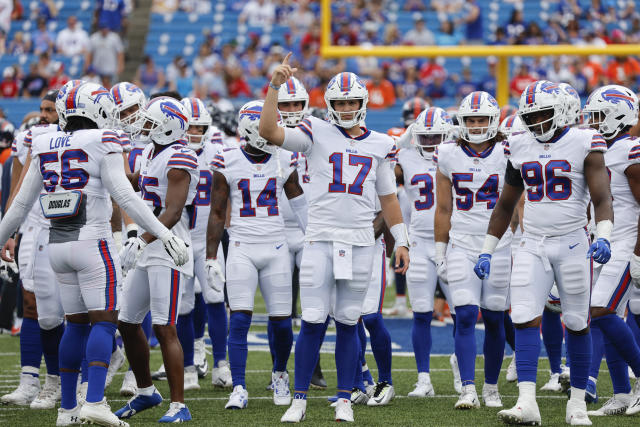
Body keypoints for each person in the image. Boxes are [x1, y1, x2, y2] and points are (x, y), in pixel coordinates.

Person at [0, 82, 188, 426]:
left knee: (74, 324)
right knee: (103, 323)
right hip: (93, 243)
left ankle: (68, 409)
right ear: (95, 109)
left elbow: (20, 206)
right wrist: (162, 233)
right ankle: (96, 401)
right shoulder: (104, 141)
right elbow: (126, 197)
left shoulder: (42, 142)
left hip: (57, 245)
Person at [259, 56, 410, 423]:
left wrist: (401, 239)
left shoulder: (379, 144)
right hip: (321, 239)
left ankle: (345, 398)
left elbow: (388, 198)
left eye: (351, 102)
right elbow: (269, 132)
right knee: (312, 319)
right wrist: (275, 87)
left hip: (360, 242)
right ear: (329, 105)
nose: (345, 108)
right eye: (339, 102)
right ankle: (299, 399)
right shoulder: (314, 131)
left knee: (347, 320)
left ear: (363, 103)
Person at [474, 80, 613, 425]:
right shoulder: (518, 144)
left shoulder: (584, 141)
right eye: (531, 116)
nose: (537, 123)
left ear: (563, 111)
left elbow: (601, 198)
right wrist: (487, 249)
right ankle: (526, 402)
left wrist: (605, 234)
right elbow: (505, 203)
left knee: (578, 322)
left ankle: (577, 404)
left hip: (572, 242)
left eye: (543, 115)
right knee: (522, 315)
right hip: (531, 242)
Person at [207, 100, 306, 409]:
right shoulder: (228, 159)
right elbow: (217, 211)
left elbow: (299, 200)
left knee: (281, 322)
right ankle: (239, 385)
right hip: (242, 247)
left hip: (277, 247)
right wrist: (211, 257)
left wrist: (315, 236)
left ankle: (279, 374)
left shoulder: (284, 157)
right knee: (239, 319)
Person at [115, 96, 197, 423]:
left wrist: (141, 239)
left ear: (168, 128)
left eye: (150, 122)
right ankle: (147, 391)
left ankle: (179, 404)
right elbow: (138, 184)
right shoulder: (152, 150)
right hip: (149, 248)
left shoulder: (180, 156)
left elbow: (173, 212)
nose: (143, 126)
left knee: (164, 328)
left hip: (168, 249)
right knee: (127, 321)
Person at [435, 91, 510, 410]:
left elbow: (515, 204)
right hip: (462, 243)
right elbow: (442, 207)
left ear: (493, 122)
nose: (477, 125)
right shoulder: (447, 153)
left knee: (494, 319)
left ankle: (491, 387)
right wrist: (440, 250)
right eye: (471, 120)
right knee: (464, 314)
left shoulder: (508, 151)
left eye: (482, 119)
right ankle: (468, 388)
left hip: (500, 245)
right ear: (461, 122)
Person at [0, 90, 65, 411]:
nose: (43, 114)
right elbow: (15, 188)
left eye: (50, 109)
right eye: (41, 108)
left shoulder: (77, 136)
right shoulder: (29, 138)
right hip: (34, 228)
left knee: (69, 310)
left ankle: (63, 379)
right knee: (30, 303)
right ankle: (30, 381)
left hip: (68, 228)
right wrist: (10, 231)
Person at [582, 85, 640, 417]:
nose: (594, 122)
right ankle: (619, 393)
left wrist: (638, 254)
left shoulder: (630, 150)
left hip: (626, 242)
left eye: (599, 115)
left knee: (601, 309)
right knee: (605, 316)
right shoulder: (600, 149)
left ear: (619, 114)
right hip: (604, 242)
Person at [397, 107, 457, 397]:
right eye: (424, 135)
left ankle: (462, 371)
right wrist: (406, 134)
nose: (430, 141)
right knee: (421, 313)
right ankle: (423, 379)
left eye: (435, 135)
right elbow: (378, 160)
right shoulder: (406, 156)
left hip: (454, 241)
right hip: (420, 242)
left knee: (462, 313)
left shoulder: (458, 153)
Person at [276, 76, 326, 390]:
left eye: (296, 103)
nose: (292, 109)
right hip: (276, 230)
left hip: (313, 227)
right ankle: (279, 371)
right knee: (281, 308)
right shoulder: (265, 131)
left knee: (314, 305)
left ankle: (315, 368)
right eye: (285, 104)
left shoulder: (320, 132)